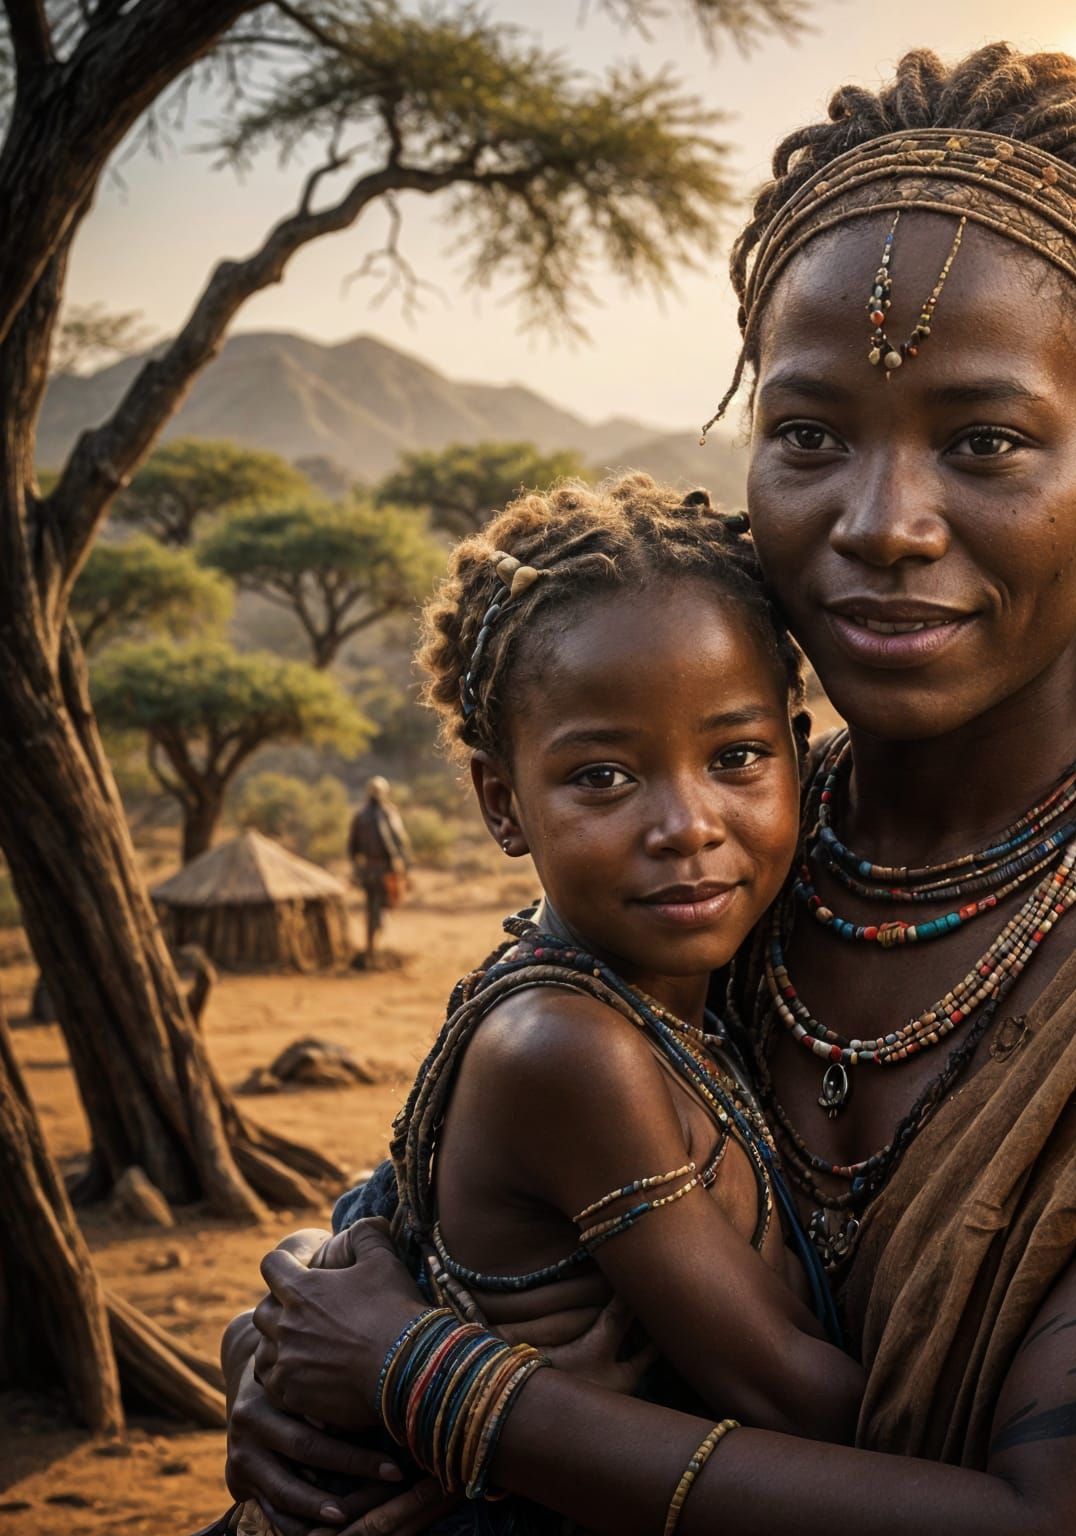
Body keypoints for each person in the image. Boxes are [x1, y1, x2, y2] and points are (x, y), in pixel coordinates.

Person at [231, 45, 1076, 1536]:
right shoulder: (721, 850)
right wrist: (301, 1334)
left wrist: (436, 1390)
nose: (883, 523)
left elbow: (1068, 1525)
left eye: (986, 442)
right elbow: (463, 1191)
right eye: (811, 435)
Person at [213, 479, 861, 1535]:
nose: (687, 825)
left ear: (797, 749)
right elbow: (789, 1396)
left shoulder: (672, 992)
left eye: (736, 757)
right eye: (603, 777)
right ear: (501, 802)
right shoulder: (566, 1049)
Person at [349, 776, 411, 960]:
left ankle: (371, 947)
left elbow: (352, 848)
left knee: (373, 906)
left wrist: (358, 869)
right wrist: (402, 865)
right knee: (379, 906)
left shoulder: (361, 816)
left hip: (369, 869)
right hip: (383, 870)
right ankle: (372, 948)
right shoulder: (387, 813)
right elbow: (398, 841)